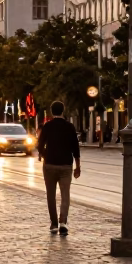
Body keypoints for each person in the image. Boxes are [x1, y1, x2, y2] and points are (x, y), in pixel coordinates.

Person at [37, 100, 81, 235]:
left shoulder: (47, 126)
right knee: (65, 195)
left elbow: (39, 145)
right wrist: (78, 166)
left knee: (50, 195)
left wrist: (45, 155)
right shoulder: (70, 127)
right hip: (66, 165)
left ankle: (54, 224)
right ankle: (63, 222)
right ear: (63, 110)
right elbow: (75, 148)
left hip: (49, 165)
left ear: (51, 111)